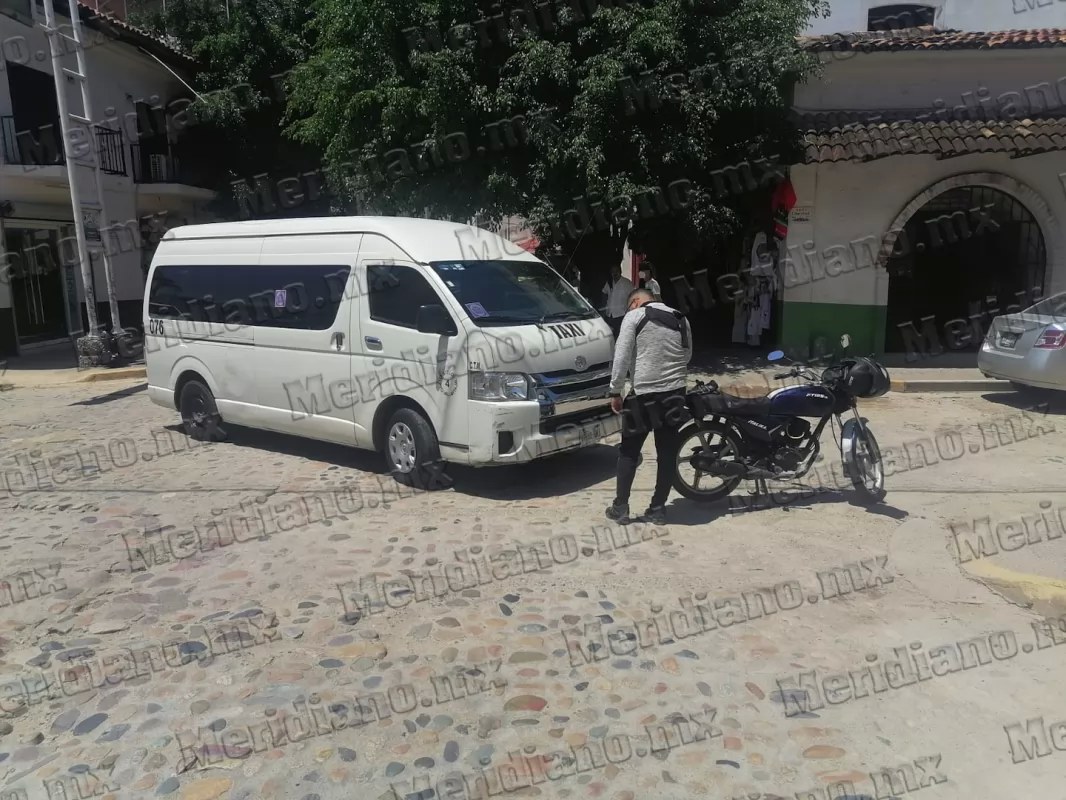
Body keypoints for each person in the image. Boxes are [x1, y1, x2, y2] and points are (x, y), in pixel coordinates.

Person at [606, 288, 693, 525]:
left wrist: (615, 390)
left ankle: (621, 508)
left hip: (643, 395)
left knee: (629, 452)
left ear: (635, 302)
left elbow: (622, 355)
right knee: (666, 455)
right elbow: (687, 356)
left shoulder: (634, 316)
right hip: (674, 394)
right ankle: (657, 509)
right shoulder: (680, 317)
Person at [601, 265, 633, 339]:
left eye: (616, 271)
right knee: (609, 337)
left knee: (620, 337)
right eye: (612, 272)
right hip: (609, 315)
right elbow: (604, 293)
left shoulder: (627, 283)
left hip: (621, 315)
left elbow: (632, 297)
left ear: (620, 271)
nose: (614, 273)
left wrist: (628, 312)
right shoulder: (609, 282)